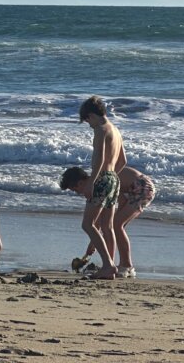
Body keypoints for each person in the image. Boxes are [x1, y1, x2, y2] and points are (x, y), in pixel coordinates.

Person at [60, 165, 156, 278]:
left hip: (141, 186)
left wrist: (93, 242)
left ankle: (126, 266)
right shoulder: (102, 180)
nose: (78, 193)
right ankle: (114, 265)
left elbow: (97, 220)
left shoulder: (98, 183)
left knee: (116, 225)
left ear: (80, 183)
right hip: (135, 187)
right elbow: (102, 217)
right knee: (116, 226)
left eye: (76, 190)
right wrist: (93, 242)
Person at [76, 95, 127, 279]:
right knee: (107, 226)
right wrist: (111, 176)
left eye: (87, 120)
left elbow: (98, 158)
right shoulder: (115, 130)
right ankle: (110, 265)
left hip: (102, 179)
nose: (88, 125)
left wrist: (92, 182)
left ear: (91, 115)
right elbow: (123, 161)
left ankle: (108, 265)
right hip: (114, 179)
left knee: (88, 224)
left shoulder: (100, 129)